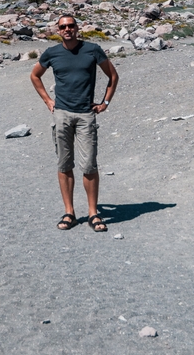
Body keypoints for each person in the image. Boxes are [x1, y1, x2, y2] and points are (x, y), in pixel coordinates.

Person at [30, 15, 119, 232]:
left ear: (77, 28)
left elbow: (113, 76)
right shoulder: (52, 53)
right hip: (61, 114)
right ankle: (69, 212)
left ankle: (93, 213)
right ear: (58, 30)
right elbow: (35, 75)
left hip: (86, 115)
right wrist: (48, 101)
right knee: (64, 163)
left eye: (71, 26)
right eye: (63, 27)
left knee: (89, 165)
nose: (67, 29)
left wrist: (105, 102)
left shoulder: (92, 49)